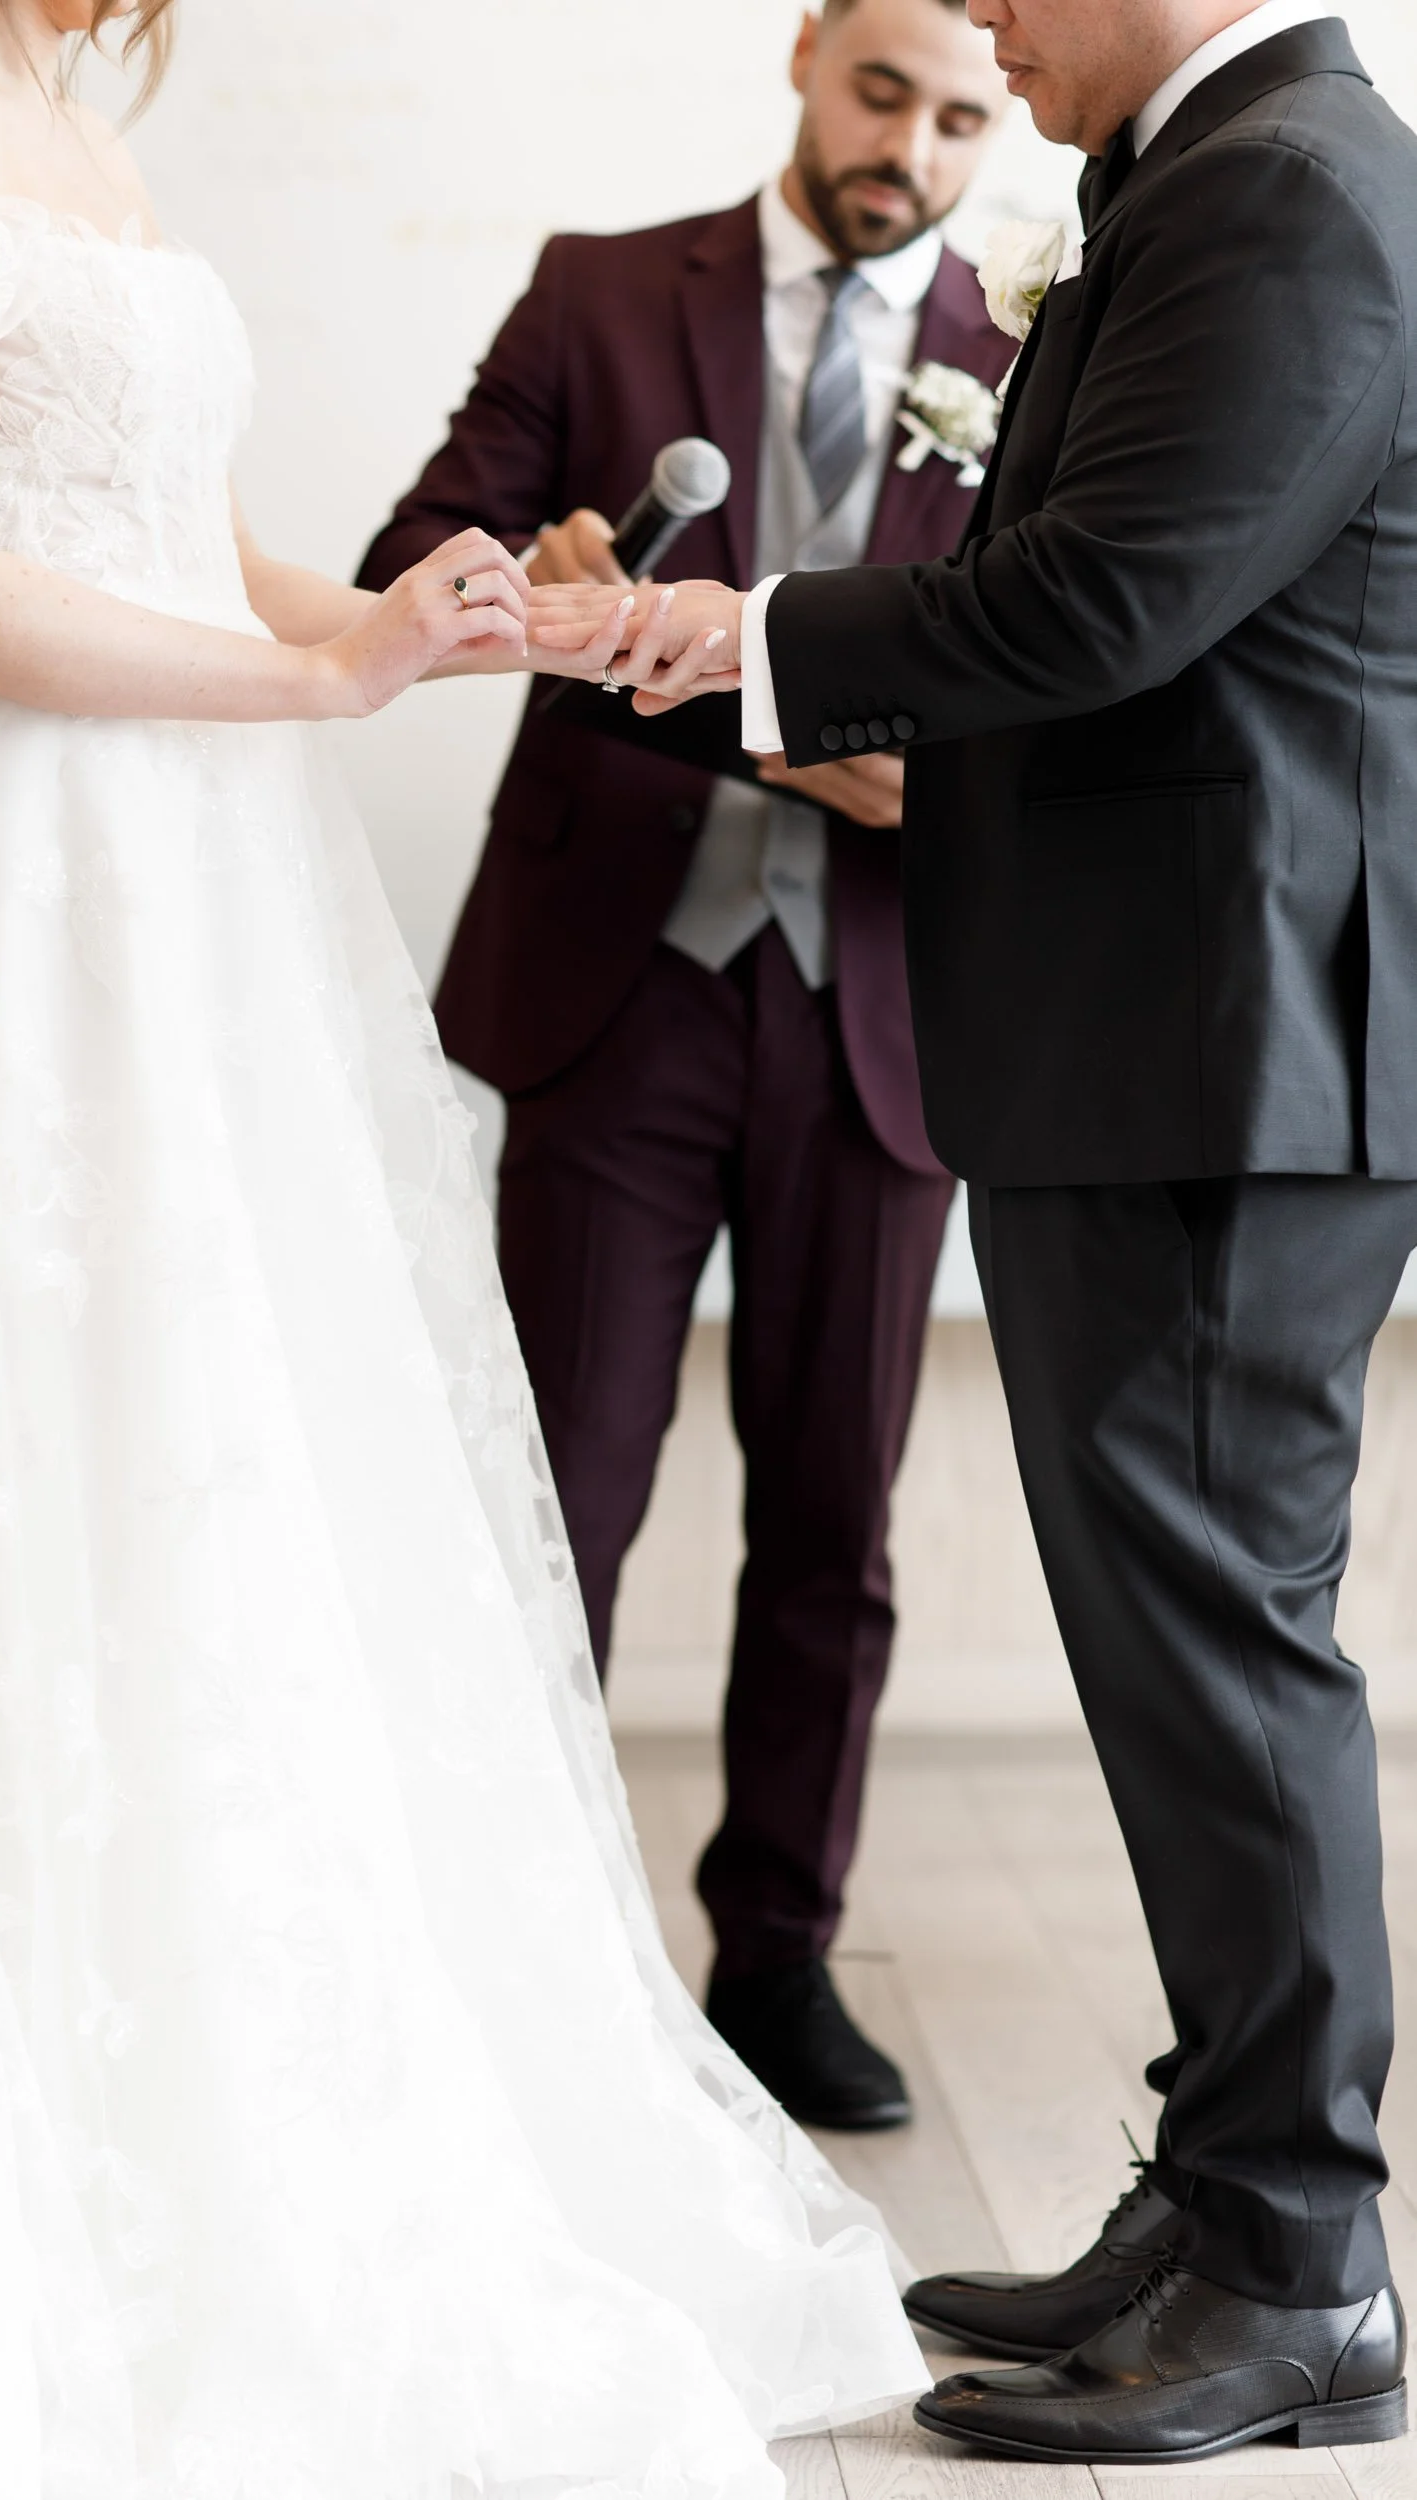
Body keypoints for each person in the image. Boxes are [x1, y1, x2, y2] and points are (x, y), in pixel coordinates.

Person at [0, 0, 932, 2484]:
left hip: (182, 881)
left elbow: (174, 547)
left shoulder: (70, 125)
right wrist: (317, 671)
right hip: (26, 877)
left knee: (235, 1473)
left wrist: (429, 618)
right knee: (25, 1455)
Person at [533, 0, 1417, 2467]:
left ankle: (1296, 2263)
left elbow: (1107, 596)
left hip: (1228, 1049)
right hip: (1162, 1035)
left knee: (1220, 1640)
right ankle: (1229, 2178)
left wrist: (751, 634)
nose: (988, 24)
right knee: (1172, 1637)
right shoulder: (1217, 167)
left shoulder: (1296, 182)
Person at [359, 0, 1013, 2135]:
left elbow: (1014, 730)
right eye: (876, 88)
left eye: (954, 116)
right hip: (608, 990)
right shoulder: (599, 288)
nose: (903, 144)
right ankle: (519, 1938)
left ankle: (777, 1960)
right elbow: (408, 564)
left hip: (882, 1023)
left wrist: (809, 741)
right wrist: (526, 584)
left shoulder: (1032, 362)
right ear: (806, 53)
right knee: (559, 1492)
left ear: (989, 129)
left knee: (832, 1515)